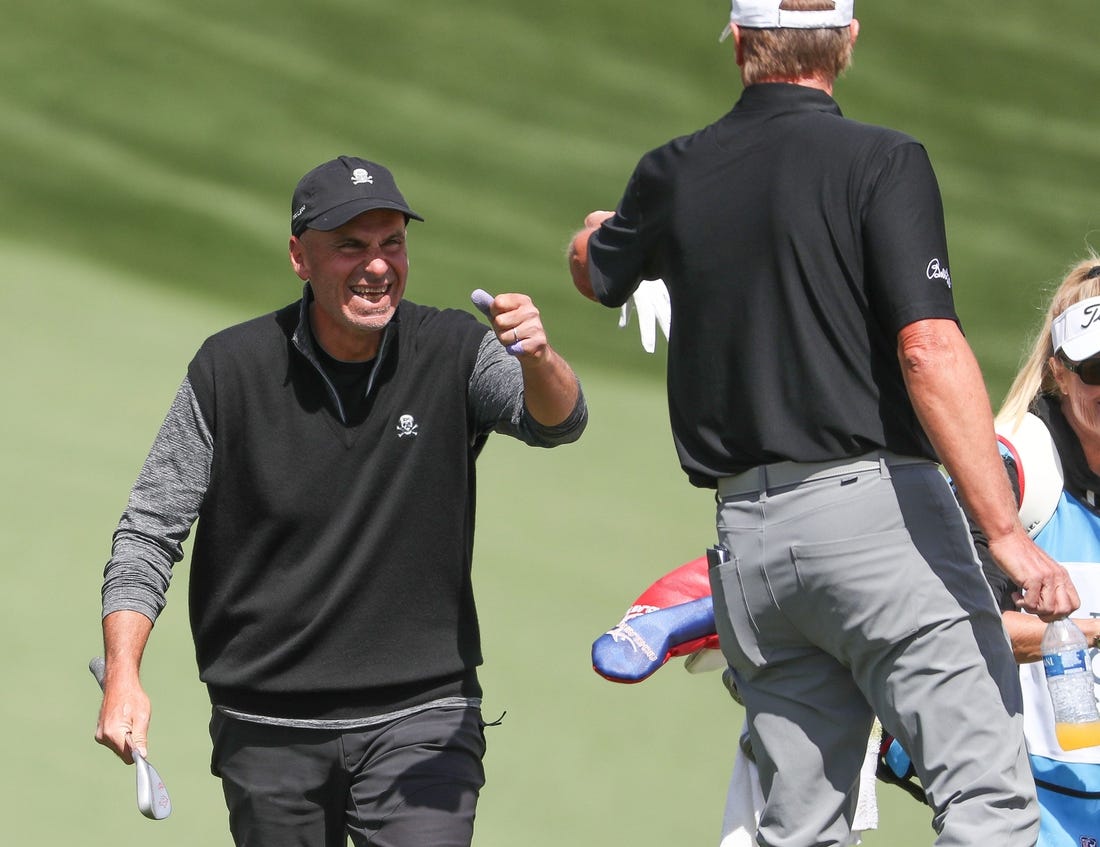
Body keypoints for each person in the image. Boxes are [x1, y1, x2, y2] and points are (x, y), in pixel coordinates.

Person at [566, 2, 1078, 845]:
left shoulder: (673, 171)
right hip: (882, 528)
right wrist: (1006, 536)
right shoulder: (885, 160)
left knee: (798, 827)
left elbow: (597, 270)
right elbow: (927, 348)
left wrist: (594, 239)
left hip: (752, 549)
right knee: (988, 802)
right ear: (847, 40)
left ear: (737, 41)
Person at [94, 155, 588, 847]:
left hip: (423, 714)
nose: (378, 266)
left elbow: (558, 420)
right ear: (299, 256)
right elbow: (150, 529)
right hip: (267, 724)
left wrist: (538, 356)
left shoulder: (452, 349)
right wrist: (124, 673)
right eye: (351, 246)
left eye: (392, 243)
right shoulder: (228, 370)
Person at [971, 256, 1100, 846]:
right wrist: (1089, 631)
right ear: (1059, 372)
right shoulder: (1015, 469)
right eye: (1097, 368)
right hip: (1033, 815)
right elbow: (945, 628)